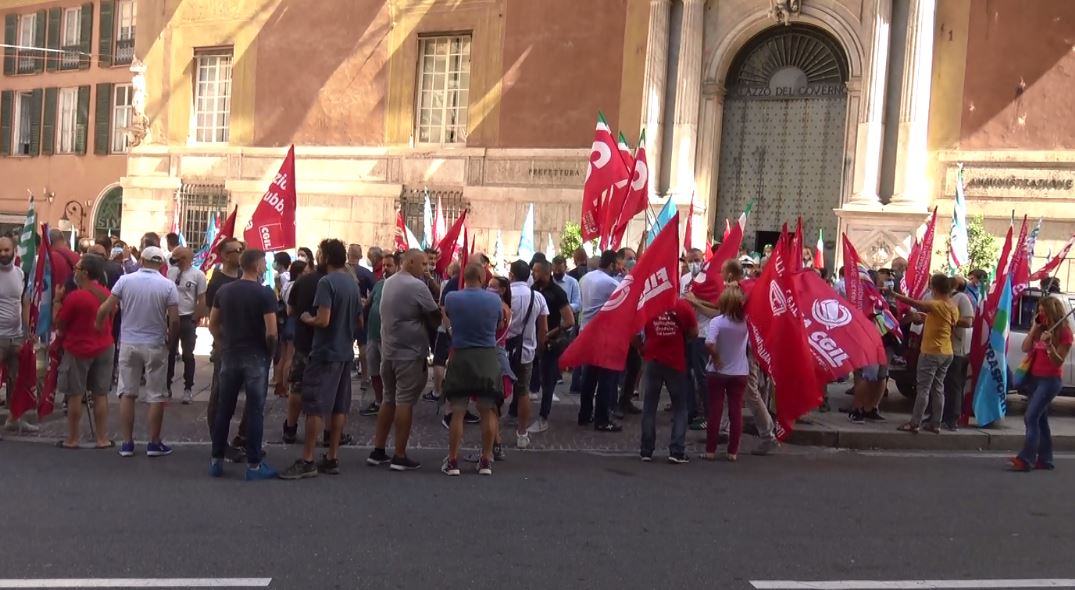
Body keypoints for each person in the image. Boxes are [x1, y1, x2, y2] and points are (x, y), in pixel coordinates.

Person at [279, 239, 362, 480]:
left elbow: (323, 320)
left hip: (325, 352)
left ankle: (307, 460)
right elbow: (359, 322)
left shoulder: (326, 282)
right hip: (345, 353)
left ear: (325, 256)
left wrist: (307, 318)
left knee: (315, 406)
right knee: (338, 406)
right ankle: (332, 457)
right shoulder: (351, 283)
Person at [96, 246, 179, 458]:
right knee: (156, 395)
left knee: (127, 393)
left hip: (129, 343)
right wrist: (172, 342)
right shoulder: (168, 285)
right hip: (155, 343)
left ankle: (127, 443)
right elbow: (174, 319)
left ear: (141, 260)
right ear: (161, 263)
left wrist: (99, 327)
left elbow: (105, 308)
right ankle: (153, 443)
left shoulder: (125, 281)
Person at [208, 249, 278, 480]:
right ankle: (254, 465)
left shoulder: (225, 290)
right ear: (257, 266)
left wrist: (222, 343)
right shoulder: (265, 294)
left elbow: (213, 323)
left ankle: (216, 460)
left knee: (224, 409)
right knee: (255, 410)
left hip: (230, 353)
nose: (265, 268)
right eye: (263, 264)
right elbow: (271, 332)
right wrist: (271, 355)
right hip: (256, 355)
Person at [368, 249, 441, 471]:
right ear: (410, 262)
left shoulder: (388, 282)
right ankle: (399, 454)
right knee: (404, 401)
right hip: (409, 354)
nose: (426, 269)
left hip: (389, 351)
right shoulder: (417, 286)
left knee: (388, 399)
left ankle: (378, 450)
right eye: (423, 264)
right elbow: (435, 316)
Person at [440, 263, 505, 476]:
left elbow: (448, 321)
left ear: (464, 277)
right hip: (486, 355)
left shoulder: (452, 298)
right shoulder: (495, 299)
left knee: (457, 411)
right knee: (487, 411)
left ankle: (452, 461)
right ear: (481, 276)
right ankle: (485, 460)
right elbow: (497, 326)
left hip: (461, 354)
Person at [55, 255, 113, 448]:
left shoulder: (75, 297)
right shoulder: (107, 294)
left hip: (78, 347)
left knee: (75, 394)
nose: (74, 271)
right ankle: (102, 438)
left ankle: (73, 438)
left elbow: (60, 323)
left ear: (85, 273)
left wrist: (56, 301)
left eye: (77, 268)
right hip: (104, 346)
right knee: (100, 394)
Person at [890, 274, 958, 434]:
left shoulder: (937, 304)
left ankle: (915, 423)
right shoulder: (952, 306)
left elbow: (915, 303)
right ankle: (936, 423)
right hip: (947, 352)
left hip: (931, 352)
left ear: (934, 288)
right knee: (938, 387)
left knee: (923, 389)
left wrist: (894, 294)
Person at [1011, 296, 1072, 471]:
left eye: (1044, 312)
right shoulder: (1040, 328)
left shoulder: (1064, 332)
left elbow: (1057, 362)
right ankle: (1045, 459)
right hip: (1034, 378)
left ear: (1053, 312)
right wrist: (1034, 329)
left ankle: (1026, 458)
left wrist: (1049, 346)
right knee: (1041, 420)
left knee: (1030, 416)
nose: (1040, 314)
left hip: (1050, 380)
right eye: (1039, 311)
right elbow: (1025, 347)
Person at [204, 238, 249, 462]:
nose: (240, 252)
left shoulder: (247, 276)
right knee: (220, 395)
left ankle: (243, 438)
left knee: (250, 395)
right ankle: (219, 443)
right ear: (224, 256)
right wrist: (220, 344)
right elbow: (212, 317)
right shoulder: (217, 282)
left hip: (247, 345)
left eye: (242, 249)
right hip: (225, 345)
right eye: (235, 250)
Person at [639, 295, 697, 463]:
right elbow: (694, 332)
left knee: (649, 406)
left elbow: (634, 333)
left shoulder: (648, 303)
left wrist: (642, 349)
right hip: (675, 360)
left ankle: (646, 450)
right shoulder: (681, 305)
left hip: (653, 358)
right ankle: (677, 450)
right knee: (680, 407)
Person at [282, 255, 328, 445]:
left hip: (303, 342)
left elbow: (290, 311)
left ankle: (291, 428)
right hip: (326, 343)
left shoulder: (303, 281)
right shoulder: (337, 282)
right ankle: (326, 432)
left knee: (297, 387)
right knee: (324, 390)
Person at [505, 260, 548, 448]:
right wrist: (540, 347)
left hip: (504, 350)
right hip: (527, 351)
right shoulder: (537, 296)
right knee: (523, 392)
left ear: (512, 275)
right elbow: (543, 328)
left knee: (497, 391)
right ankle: (522, 434)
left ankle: (493, 435)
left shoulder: (505, 295)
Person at [526, 259, 573, 434]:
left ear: (547, 273)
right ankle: (517, 412)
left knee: (547, 381)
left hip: (548, 343)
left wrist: (549, 334)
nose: (533, 274)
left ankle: (543, 417)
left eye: (536, 271)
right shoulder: (534, 289)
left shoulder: (557, 293)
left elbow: (569, 321)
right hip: (532, 341)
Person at [578, 250, 622, 432]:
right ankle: (602, 419)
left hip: (586, 330)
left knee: (589, 377)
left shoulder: (586, 278)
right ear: (611, 264)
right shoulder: (611, 283)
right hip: (603, 335)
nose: (619, 268)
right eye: (618, 265)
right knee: (606, 378)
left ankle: (584, 414)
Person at [704, 286, 750, 462]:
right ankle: (733, 451)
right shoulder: (745, 323)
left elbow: (709, 343)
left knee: (715, 410)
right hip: (739, 372)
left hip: (717, 371)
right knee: (735, 411)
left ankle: (711, 450)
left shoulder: (717, 322)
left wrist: (715, 357)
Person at [166, 247, 207, 403]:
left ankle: (188, 388)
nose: (175, 260)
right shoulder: (171, 273)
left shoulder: (198, 275)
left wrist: (195, 318)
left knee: (188, 355)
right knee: (169, 353)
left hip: (187, 317)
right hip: (172, 317)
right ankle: (167, 385)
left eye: (178, 257)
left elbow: (202, 299)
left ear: (186, 258)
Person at [0, 235, 33, 433]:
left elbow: (25, 302)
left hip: (16, 336)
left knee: (17, 380)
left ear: (14, 251)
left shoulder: (20, 274)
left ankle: (14, 419)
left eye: (6, 250)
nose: (3, 253)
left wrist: (27, 330)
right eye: (0, 250)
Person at [360, 252, 398, 418]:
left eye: (389, 265)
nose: (385, 269)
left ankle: (391, 403)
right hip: (372, 335)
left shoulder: (400, 285)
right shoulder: (378, 284)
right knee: (374, 371)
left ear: (397, 266)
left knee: (388, 373)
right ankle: (378, 401)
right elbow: (368, 304)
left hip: (389, 338)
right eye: (384, 265)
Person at [941, 276, 975, 431]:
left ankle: (952, 418)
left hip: (955, 349)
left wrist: (948, 320)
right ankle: (937, 414)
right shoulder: (933, 297)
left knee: (953, 384)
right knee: (938, 384)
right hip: (935, 348)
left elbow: (968, 321)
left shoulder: (961, 298)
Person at [273, 259, 306, 399]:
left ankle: (279, 383)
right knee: (290, 357)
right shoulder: (296, 286)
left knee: (283, 356)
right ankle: (285, 386)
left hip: (285, 323)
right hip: (293, 322)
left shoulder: (286, 285)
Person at [347, 243, 374, 380]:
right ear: (361, 255)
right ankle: (364, 376)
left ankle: (345, 374)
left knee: (347, 343)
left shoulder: (342, 271)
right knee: (363, 343)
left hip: (346, 311)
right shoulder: (366, 273)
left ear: (348, 254)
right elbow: (374, 292)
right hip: (362, 311)